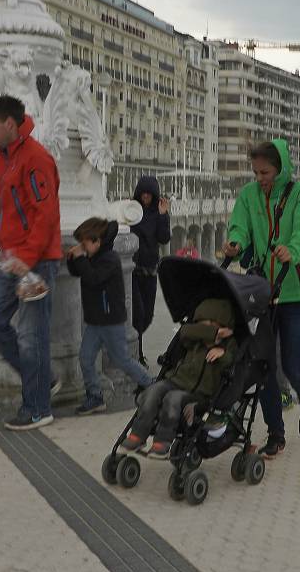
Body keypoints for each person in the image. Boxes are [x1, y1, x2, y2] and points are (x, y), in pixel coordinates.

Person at [222, 139, 300, 459]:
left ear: (280, 168)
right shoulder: (249, 196)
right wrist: (235, 243)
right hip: (262, 292)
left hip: (294, 293)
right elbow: (241, 227)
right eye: (256, 172)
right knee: (264, 368)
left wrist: (294, 249)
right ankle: (276, 433)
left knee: (293, 366)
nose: (260, 178)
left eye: (265, 172)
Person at [0, 95, 61, 432]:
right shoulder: (2, 157)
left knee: (32, 337)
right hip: (12, 257)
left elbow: (46, 214)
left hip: (36, 261)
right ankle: (42, 379)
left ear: (10, 124)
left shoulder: (36, 158)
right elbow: (5, 209)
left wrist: (27, 258)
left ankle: (38, 409)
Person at [117, 297, 238, 460]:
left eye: (210, 323)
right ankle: (138, 434)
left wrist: (222, 353)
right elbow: (185, 331)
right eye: (201, 323)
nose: (204, 327)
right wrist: (212, 333)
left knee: (173, 399)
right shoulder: (195, 339)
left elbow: (231, 363)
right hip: (175, 381)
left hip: (199, 393)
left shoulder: (228, 345)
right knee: (153, 391)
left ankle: (163, 441)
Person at [66, 217, 152, 415]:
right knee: (86, 357)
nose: (82, 247)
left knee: (121, 359)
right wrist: (73, 259)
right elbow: (77, 272)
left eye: (84, 243)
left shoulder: (110, 259)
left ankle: (150, 384)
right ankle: (95, 397)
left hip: (111, 320)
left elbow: (94, 278)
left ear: (96, 241)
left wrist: (80, 258)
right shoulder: (91, 256)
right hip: (95, 321)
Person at [127, 176, 171, 366]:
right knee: (138, 314)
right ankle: (137, 355)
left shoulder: (157, 214)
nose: (146, 196)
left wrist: (163, 215)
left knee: (148, 316)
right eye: (143, 193)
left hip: (150, 272)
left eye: (149, 193)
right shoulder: (131, 212)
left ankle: (137, 351)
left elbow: (163, 238)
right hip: (134, 272)